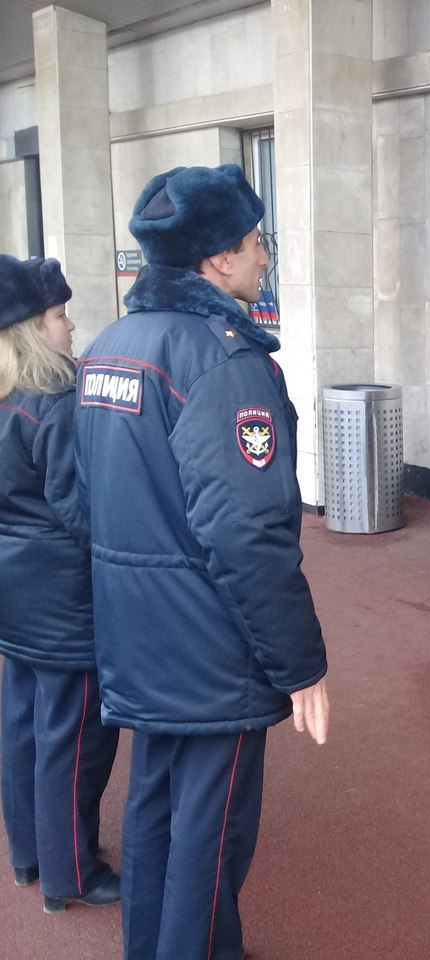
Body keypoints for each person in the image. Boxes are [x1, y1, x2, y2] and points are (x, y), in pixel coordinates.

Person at [75, 164, 330, 959]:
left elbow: (92, 498)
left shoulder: (111, 345)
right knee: (212, 837)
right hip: (210, 647)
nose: (265, 258)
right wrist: (300, 665)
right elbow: (248, 533)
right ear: (218, 259)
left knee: (154, 813)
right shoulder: (223, 361)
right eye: (257, 244)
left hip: (138, 633)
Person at [0, 255, 120, 915]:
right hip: (62, 597)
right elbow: (79, 510)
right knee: (74, 738)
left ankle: (29, 855)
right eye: (59, 314)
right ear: (30, 327)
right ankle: (70, 872)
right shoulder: (52, 399)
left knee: (22, 725)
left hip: (13, 591)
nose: (71, 326)